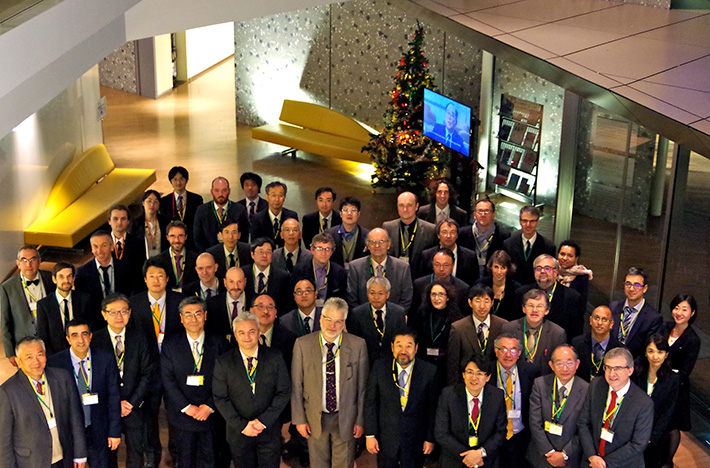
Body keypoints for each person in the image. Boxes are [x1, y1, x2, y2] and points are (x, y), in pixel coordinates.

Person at [291, 297, 369, 468]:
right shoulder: (302, 345)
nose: (332, 326)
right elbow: (297, 385)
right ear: (320, 318)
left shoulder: (358, 345)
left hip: (346, 417)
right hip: (314, 417)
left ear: (344, 323)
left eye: (338, 321)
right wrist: (299, 419)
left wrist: (360, 420)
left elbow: (362, 388)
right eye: (328, 319)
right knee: (318, 464)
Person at [213, 312, 291, 468]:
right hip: (239, 433)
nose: (247, 336)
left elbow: (283, 391)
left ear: (259, 332)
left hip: (268, 431)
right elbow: (220, 398)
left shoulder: (274, 357)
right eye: (241, 332)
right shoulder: (224, 362)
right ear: (235, 335)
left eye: (251, 331)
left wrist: (263, 421)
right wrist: (243, 426)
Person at [160, 296, 229, 468]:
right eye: (188, 315)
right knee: (185, 461)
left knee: (213, 459)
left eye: (198, 314)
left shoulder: (219, 342)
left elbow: (226, 378)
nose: (193, 319)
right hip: (183, 415)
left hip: (211, 413)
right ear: (181, 318)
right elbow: (168, 380)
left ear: (205, 315)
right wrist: (186, 407)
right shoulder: (171, 344)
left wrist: (209, 406)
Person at [0, 336, 88, 467]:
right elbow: (4, 439)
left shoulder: (62, 378)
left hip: (64, 457)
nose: (36, 361)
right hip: (32, 462)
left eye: (40, 355)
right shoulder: (8, 391)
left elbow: (75, 417)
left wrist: (80, 453)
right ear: (19, 362)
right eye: (29, 357)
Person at [129, 260, 184, 467]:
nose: (156, 280)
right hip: (148, 369)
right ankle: (152, 454)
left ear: (167, 279)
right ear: (145, 279)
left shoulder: (179, 300)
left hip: (174, 368)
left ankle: (176, 452)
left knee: (176, 412)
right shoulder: (134, 303)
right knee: (149, 415)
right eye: (151, 276)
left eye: (161, 276)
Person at [92, 293, 157, 468]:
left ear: (130, 313)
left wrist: (131, 402)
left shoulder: (140, 337)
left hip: (133, 406)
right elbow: (95, 377)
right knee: (108, 452)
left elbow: (147, 373)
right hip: (107, 407)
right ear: (104, 314)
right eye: (113, 312)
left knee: (136, 451)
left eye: (124, 311)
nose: (119, 316)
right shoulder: (95, 340)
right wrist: (114, 403)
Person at [47, 319, 122, 468]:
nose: (80, 340)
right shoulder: (54, 364)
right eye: (74, 335)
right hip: (70, 435)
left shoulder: (105, 359)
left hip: (100, 431)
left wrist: (114, 431)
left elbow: (114, 397)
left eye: (84, 334)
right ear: (68, 339)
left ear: (91, 336)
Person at [364, 329, 439, 468]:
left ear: (416, 348)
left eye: (408, 346)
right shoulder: (380, 368)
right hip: (387, 439)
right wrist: (370, 435)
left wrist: (430, 438)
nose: (403, 350)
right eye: (399, 345)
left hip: (416, 440)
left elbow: (433, 409)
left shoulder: (429, 371)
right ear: (392, 347)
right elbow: (371, 403)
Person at [577, 347, 653, 468]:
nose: (612, 374)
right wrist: (592, 456)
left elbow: (638, 443)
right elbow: (583, 423)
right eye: (608, 368)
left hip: (622, 464)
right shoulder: (596, 385)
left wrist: (604, 464)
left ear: (630, 370)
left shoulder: (643, 403)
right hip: (591, 461)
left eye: (617, 368)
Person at [435, 355, 507, 468]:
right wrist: (469, 457)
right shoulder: (448, 395)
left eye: (479, 373)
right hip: (455, 459)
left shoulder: (497, 396)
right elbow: (441, 433)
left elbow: (501, 432)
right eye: (470, 372)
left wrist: (480, 453)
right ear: (463, 375)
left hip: (485, 460)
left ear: (487, 377)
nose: (474, 378)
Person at [527, 344, 590, 468]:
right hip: (541, 456)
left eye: (569, 363)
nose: (565, 368)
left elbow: (584, 428)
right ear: (551, 365)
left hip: (569, 459)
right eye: (559, 363)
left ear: (577, 364)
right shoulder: (540, 384)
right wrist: (550, 452)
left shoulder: (587, 389)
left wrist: (564, 454)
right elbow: (535, 422)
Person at [1, 245, 55, 366]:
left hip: (50, 342)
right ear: (18, 263)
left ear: (39, 261)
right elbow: (5, 322)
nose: (28, 264)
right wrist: (10, 352)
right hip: (24, 345)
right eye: (24, 260)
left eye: (32, 260)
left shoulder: (50, 278)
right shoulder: (7, 287)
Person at [663, 294, 700, 465]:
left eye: (684, 309)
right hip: (658, 383)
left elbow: (685, 371)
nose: (679, 312)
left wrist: (667, 374)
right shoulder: (665, 328)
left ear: (692, 313)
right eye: (676, 308)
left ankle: (668, 461)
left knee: (672, 426)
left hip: (677, 388)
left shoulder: (692, 339)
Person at [632, 334, 679, 468]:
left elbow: (667, 412)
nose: (655, 356)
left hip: (655, 435)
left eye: (660, 352)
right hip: (634, 429)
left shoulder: (673, 379)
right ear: (645, 353)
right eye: (651, 351)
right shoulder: (636, 373)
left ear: (666, 354)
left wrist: (652, 437)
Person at [492, 333, 539, 468]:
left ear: (519, 353)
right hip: (494, 435)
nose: (508, 354)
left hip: (521, 435)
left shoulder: (531, 371)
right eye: (504, 349)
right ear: (496, 351)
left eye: (513, 350)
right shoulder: (486, 371)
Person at [447, 284, 508, 385]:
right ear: (470, 302)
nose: (482, 306)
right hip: (468, 383)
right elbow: (453, 364)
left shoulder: (503, 325)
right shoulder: (458, 328)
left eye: (486, 301)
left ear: (492, 302)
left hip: (495, 383)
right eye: (478, 301)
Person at [516, 254, 584, 340]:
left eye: (547, 268)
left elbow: (576, 332)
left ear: (555, 272)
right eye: (539, 268)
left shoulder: (572, 297)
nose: (542, 271)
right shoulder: (521, 293)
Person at [502, 289, 566, 376]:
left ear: (547, 310)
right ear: (524, 309)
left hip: (544, 382)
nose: (534, 310)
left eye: (539, 306)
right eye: (530, 306)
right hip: (515, 379)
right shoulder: (509, 328)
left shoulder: (557, 333)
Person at [347, 228, 412, 311]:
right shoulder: (355, 267)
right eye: (373, 242)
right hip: (364, 319)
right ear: (368, 245)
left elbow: (406, 299)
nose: (377, 246)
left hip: (393, 319)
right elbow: (352, 299)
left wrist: (394, 316)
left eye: (381, 242)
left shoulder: (402, 268)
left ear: (388, 244)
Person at [74, 231, 133, 324]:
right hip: (96, 325)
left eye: (103, 245)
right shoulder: (82, 273)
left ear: (112, 246)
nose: (99, 251)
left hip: (122, 320)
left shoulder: (126, 268)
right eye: (95, 246)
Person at [347, 277, 407, 366]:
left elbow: (402, 339)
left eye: (380, 293)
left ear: (387, 294)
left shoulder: (398, 313)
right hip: (366, 362)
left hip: (391, 362)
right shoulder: (357, 313)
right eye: (372, 293)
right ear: (367, 293)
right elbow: (354, 342)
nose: (376, 297)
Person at [411, 281, 462, 382]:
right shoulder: (421, 314)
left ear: (447, 297)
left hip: (445, 365)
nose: (436, 298)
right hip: (423, 362)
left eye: (441, 294)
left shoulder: (456, 318)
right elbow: (414, 335)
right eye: (433, 294)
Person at [36, 261, 91, 356]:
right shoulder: (44, 305)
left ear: (73, 279)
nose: (66, 280)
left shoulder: (85, 300)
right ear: (54, 279)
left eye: (69, 276)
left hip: (82, 353)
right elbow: (43, 336)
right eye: (61, 276)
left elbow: (90, 329)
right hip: (56, 355)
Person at [609, 267, 663, 358]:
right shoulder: (613, 307)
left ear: (645, 288)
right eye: (628, 284)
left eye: (637, 285)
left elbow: (648, 350)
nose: (631, 289)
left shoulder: (653, 318)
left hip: (634, 366)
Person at [193, 176, 249, 252]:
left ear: (229, 191)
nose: (220, 194)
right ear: (211, 192)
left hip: (234, 253)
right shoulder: (202, 210)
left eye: (224, 190)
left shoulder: (239, 210)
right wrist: (208, 254)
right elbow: (198, 238)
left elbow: (244, 237)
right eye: (217, 190)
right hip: (208, 254)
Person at [502, 206, 555, 286]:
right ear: (520, 221)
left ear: (537, 222)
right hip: (513, 290)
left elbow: (549, 274)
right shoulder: (508, 244)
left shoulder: (548, 246)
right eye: (524, 221)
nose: (528, 225)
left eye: (532, 221)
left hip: (537, 291)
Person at [416, 218, 479, 286]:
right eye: (444, 232)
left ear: (457, 235)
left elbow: (473, 282)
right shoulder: (426, 256)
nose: (448, 236)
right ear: (438, 235)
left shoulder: (470, 257)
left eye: (452, 232)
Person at [291, 232, 348, 307]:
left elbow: (342, 300)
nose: (323, 253)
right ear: (312, 250)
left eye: (327, 249)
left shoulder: (340, 272)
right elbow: (292, 299)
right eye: (319, 248)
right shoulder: (299, 270)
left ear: (332, 252)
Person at [459, 199, 510, 278]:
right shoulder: (462, 234)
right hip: (467, 279)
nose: (483, 214)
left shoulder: (504, 237)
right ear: (474, 215)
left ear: (493, 215)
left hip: (493, 279)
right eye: (480, 211)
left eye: (486, 211)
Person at [382, 191, 437, 264]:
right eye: (401, 205)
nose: (405, 209)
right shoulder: (387, 228)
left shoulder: (430, 230)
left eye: (409, 205)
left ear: (416, 206)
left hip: (419, 274)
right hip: (395, 274)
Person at [411, 248, 470, 315]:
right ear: (432, 265)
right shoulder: (420, 284)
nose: (441, 269)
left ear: (452, 266)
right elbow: (414, 313)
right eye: (437, 264)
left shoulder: (462, 288)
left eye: (446, 265)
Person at [159, 166, 204, 251]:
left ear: (187, 180)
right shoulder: (165, 201)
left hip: (191, 243)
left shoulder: (196, 199)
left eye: (181, 179)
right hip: (173, 243)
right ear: (170, 181)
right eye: (175, 179)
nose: (178, 182)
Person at [572, 306, 621, 382]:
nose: (600, 323)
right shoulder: (577, 343)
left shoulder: (619, 349)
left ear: (611, 324)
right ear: (590, 320)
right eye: (596, 318)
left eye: (604, 319)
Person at [242, 238, 291, 313]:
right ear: (252, 254)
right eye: (260, 252)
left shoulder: (283, 277)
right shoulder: (242, 273)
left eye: (268, 252)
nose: (264, 255)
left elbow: (285, 305)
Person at [250, 293, 297, 366]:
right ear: (251, 311)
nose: (265, 311)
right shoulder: (242, 337)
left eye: (270, 307)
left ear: (275, 313)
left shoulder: (289, 339)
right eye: (260, 306)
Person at [249, 181, 299, 248]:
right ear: (267, 197)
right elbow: (255, 245)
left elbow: (296, 242)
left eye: (280, 195)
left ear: (284, 197)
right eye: (273, 195)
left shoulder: (292, 216)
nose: (277, 199)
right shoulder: (257, 218)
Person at [206, 266, 248, 346]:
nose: (236, 286)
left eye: (239, 281)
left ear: (245, 282)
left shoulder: (254, 302)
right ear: (225, 282)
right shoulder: (212, 304)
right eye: (231, 282)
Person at [152, 220, 198, 291]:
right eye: (172, 236)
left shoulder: (195, 259)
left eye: (180, 236)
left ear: (186, 237)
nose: (177, 240)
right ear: (167, 237)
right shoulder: (158, 261)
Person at [476, 250, 522, 321]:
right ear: (491, 267)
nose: (499, 271)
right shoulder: (481, 284)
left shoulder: (516, 288)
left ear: (508, 269)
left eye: (503, 267)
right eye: (496, 267)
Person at [326, 196, 370, 269]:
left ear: (358, 214)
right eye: (345, 210)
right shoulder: (329, 234)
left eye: (353, 210)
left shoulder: (367, 235)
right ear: (340, 214)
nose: (349, 213)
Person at [107, 204, 145, 284]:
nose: (119, 222)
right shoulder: (103, 242)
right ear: (109, 221)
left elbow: (140, 271)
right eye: (115, 219)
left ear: (128, 221)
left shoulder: (138, 243)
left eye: (123, 219)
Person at [130, 190, 170, 259]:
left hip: (162, 261)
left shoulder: (165, 222)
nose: (152, 205)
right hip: (143, 262)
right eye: (149, 201)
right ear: (143, 203)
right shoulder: (136, 223)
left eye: (155, 202)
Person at [557, 240, 592, 310]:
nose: (565, 258)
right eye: (562, 254)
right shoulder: (552, 270)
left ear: (576, 258)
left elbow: (581, 305)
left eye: (570, 256)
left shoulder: (582, 276)